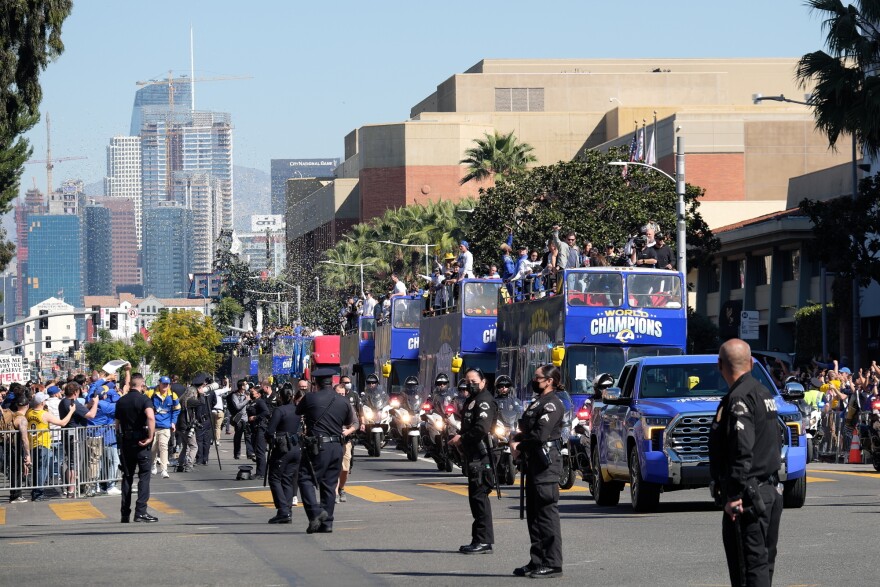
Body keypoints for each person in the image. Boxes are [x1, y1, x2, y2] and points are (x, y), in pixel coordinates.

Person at [709, 338, 783, 587]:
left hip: (749, 497)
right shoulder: (763, 392)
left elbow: (742, 449)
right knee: (762, 566)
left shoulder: (738, 398)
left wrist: (733, 494)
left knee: (748, 570)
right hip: (769, 490)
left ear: (720, 365)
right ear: (751, 363)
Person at [511, 365, 565, 578]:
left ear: (549, 380)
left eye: (537, 377)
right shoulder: (537, 401)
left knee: (546, 514)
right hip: (533, 463)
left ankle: (552, 564)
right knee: (534, 515)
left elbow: (540, 435)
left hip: (546, 464)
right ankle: (537, 560)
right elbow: (527, 428)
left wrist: (519, 446)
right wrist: (516, 438)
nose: (534, 380)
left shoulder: (552, 404)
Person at [297, 367, 355, 534]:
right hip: (336, 446)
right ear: (332, 382)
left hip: (317, 445)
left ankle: (315, 512)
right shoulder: (343, 401)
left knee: (305, 478)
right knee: (329, 484)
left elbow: (298, 411)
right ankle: (327, 523)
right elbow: (348, 420)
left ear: (316, 383)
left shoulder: (310, 398)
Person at [449, 367, 497, 554]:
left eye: (474, 382)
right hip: (473, 456)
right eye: (467, 381)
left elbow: (481, 429)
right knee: (475, 499)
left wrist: (461, 438)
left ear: (483, 382)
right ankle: (478, 539)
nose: (470, 385)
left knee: (480, 499)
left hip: (482, 455)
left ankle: (484, 541)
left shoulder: (484, 401)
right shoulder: (471, 400)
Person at [114, 371, 157, 523]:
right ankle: (141, 512)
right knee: (144, 476)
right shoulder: (144, 399)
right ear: (141, 385)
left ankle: (124, 513)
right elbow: (151, 417)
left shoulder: (121, 401)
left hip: (126, 442)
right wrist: (150, 436)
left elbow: (116, 424)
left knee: (127, 477)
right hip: (141, 442)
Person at [26, 391, 75, 501]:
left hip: (32, 443)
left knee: (36, 470)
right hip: (42, 444)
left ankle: (36, 492)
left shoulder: (29, 412)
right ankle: (38, 493)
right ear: (42, 402)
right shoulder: (44, 414)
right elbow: (62, 423)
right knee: (41, 470)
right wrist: (71, 412)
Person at [265, 385, 303, 524]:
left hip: (283, 447)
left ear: (280, 397)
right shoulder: (297, 410)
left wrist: (269, 438)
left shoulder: (279, 410)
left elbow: (270, 431)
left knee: (274, 478)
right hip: (296, 447)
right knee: (287, 479)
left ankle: (283, 510)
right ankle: (287, 510)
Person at [146, 376, 180, 479]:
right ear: (159, 383)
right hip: (154, 426)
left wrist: (173, 422)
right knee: (153, 448)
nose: (165, 386)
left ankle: (164, 469)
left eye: (167, 384)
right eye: (163, 383)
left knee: (163, 446)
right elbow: (144, 406)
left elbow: (177, 409)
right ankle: (153, 464)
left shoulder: (173, 395)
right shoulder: (151, 394)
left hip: (165, 426)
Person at [336, 376, 360, 503]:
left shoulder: (349, 407)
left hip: (346, 441)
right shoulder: (330, 405)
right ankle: (334, 493)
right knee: (334, 467)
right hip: (332, 441)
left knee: (345, 469)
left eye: (343, 394)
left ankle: (341, 488)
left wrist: (348, 431)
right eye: (338, 394)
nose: (341, 396)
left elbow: (356, 423)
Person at [7, 394, 32, 503]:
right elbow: (24, 438)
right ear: (27, 406)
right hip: (14, 448)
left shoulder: (13, 415)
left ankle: (15, 495)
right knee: (16, 471)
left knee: (15, 471)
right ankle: (16, 496)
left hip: (10, 447)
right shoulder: (22, 419)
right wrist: (28, 454)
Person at [247, 382, 271, 479]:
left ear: (258, 394)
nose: (251, 392)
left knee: (260, 451)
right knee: (257, 451)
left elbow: (266, 412)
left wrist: (255, 417)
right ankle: (259, 471)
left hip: (260, 427)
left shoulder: (260, 401)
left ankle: (261, 473)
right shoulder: (252, 401)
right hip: (254, 429)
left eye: (253, 392)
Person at [228, 379, 253, 460]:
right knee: (238, 437)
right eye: (245, 384)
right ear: (242, 386)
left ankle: (249, 453)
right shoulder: (235, 395)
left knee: (248, 436)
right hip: (239, 419)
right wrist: (246, 400)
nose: (246, 386)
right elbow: (238, 406)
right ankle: (237, 453)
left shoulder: (247, 394)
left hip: (246, 419)